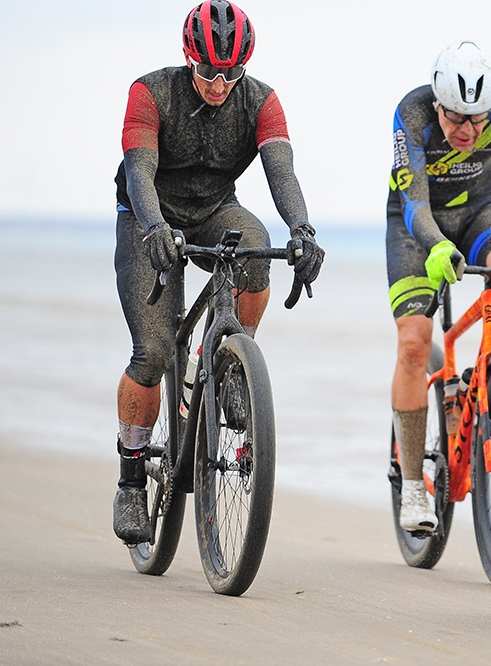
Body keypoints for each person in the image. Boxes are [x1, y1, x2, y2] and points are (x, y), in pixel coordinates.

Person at [112, 0, 324, 545]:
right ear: (190, 59)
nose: (219, 84)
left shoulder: (262, 101)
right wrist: (154, 226)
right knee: (153, 352)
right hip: (147, 216)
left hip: (213, 210)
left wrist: (302, 230)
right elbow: (139, 172)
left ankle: (230, 361)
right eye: (208, 71)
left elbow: (282, 172)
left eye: (231, 73)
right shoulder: (150, 92)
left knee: (255, 248)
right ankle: (131, 479)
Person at [388, 41, 491, 531]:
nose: (466, 131)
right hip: (416, 224)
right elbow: (413, 202)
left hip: (480, 212)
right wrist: (437, 245)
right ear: (437, 104)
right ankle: (412, 487)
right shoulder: (412, 113)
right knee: (414, 343)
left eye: (476, 120)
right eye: (454, 119)